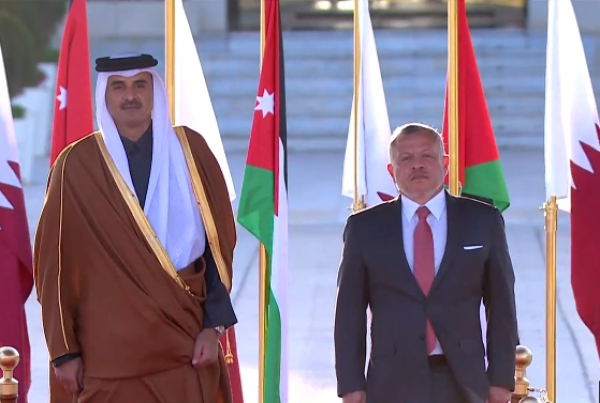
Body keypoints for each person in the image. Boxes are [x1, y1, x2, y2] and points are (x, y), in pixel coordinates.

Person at [33, 53, 238, 403]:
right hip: (107, 358)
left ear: (154, 91)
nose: (130, 96)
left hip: (184, 348)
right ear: (105, 95)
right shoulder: (75, 166)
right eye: (118, 87)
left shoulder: (191, 152)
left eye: (140, 85)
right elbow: (54, 267)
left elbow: (218, 247)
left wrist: (213, 325)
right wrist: (63, 352)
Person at [334, 123, 517, 403]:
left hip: (464, 380)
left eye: (427, 156)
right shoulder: (365, 228)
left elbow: (502, 304)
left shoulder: (483, 221)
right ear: (391, 171)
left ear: (445, 164)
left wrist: (501, 379)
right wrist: (351, 384)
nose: (417, 165)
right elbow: (349, 312)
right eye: (406, 158)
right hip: (391, 381)